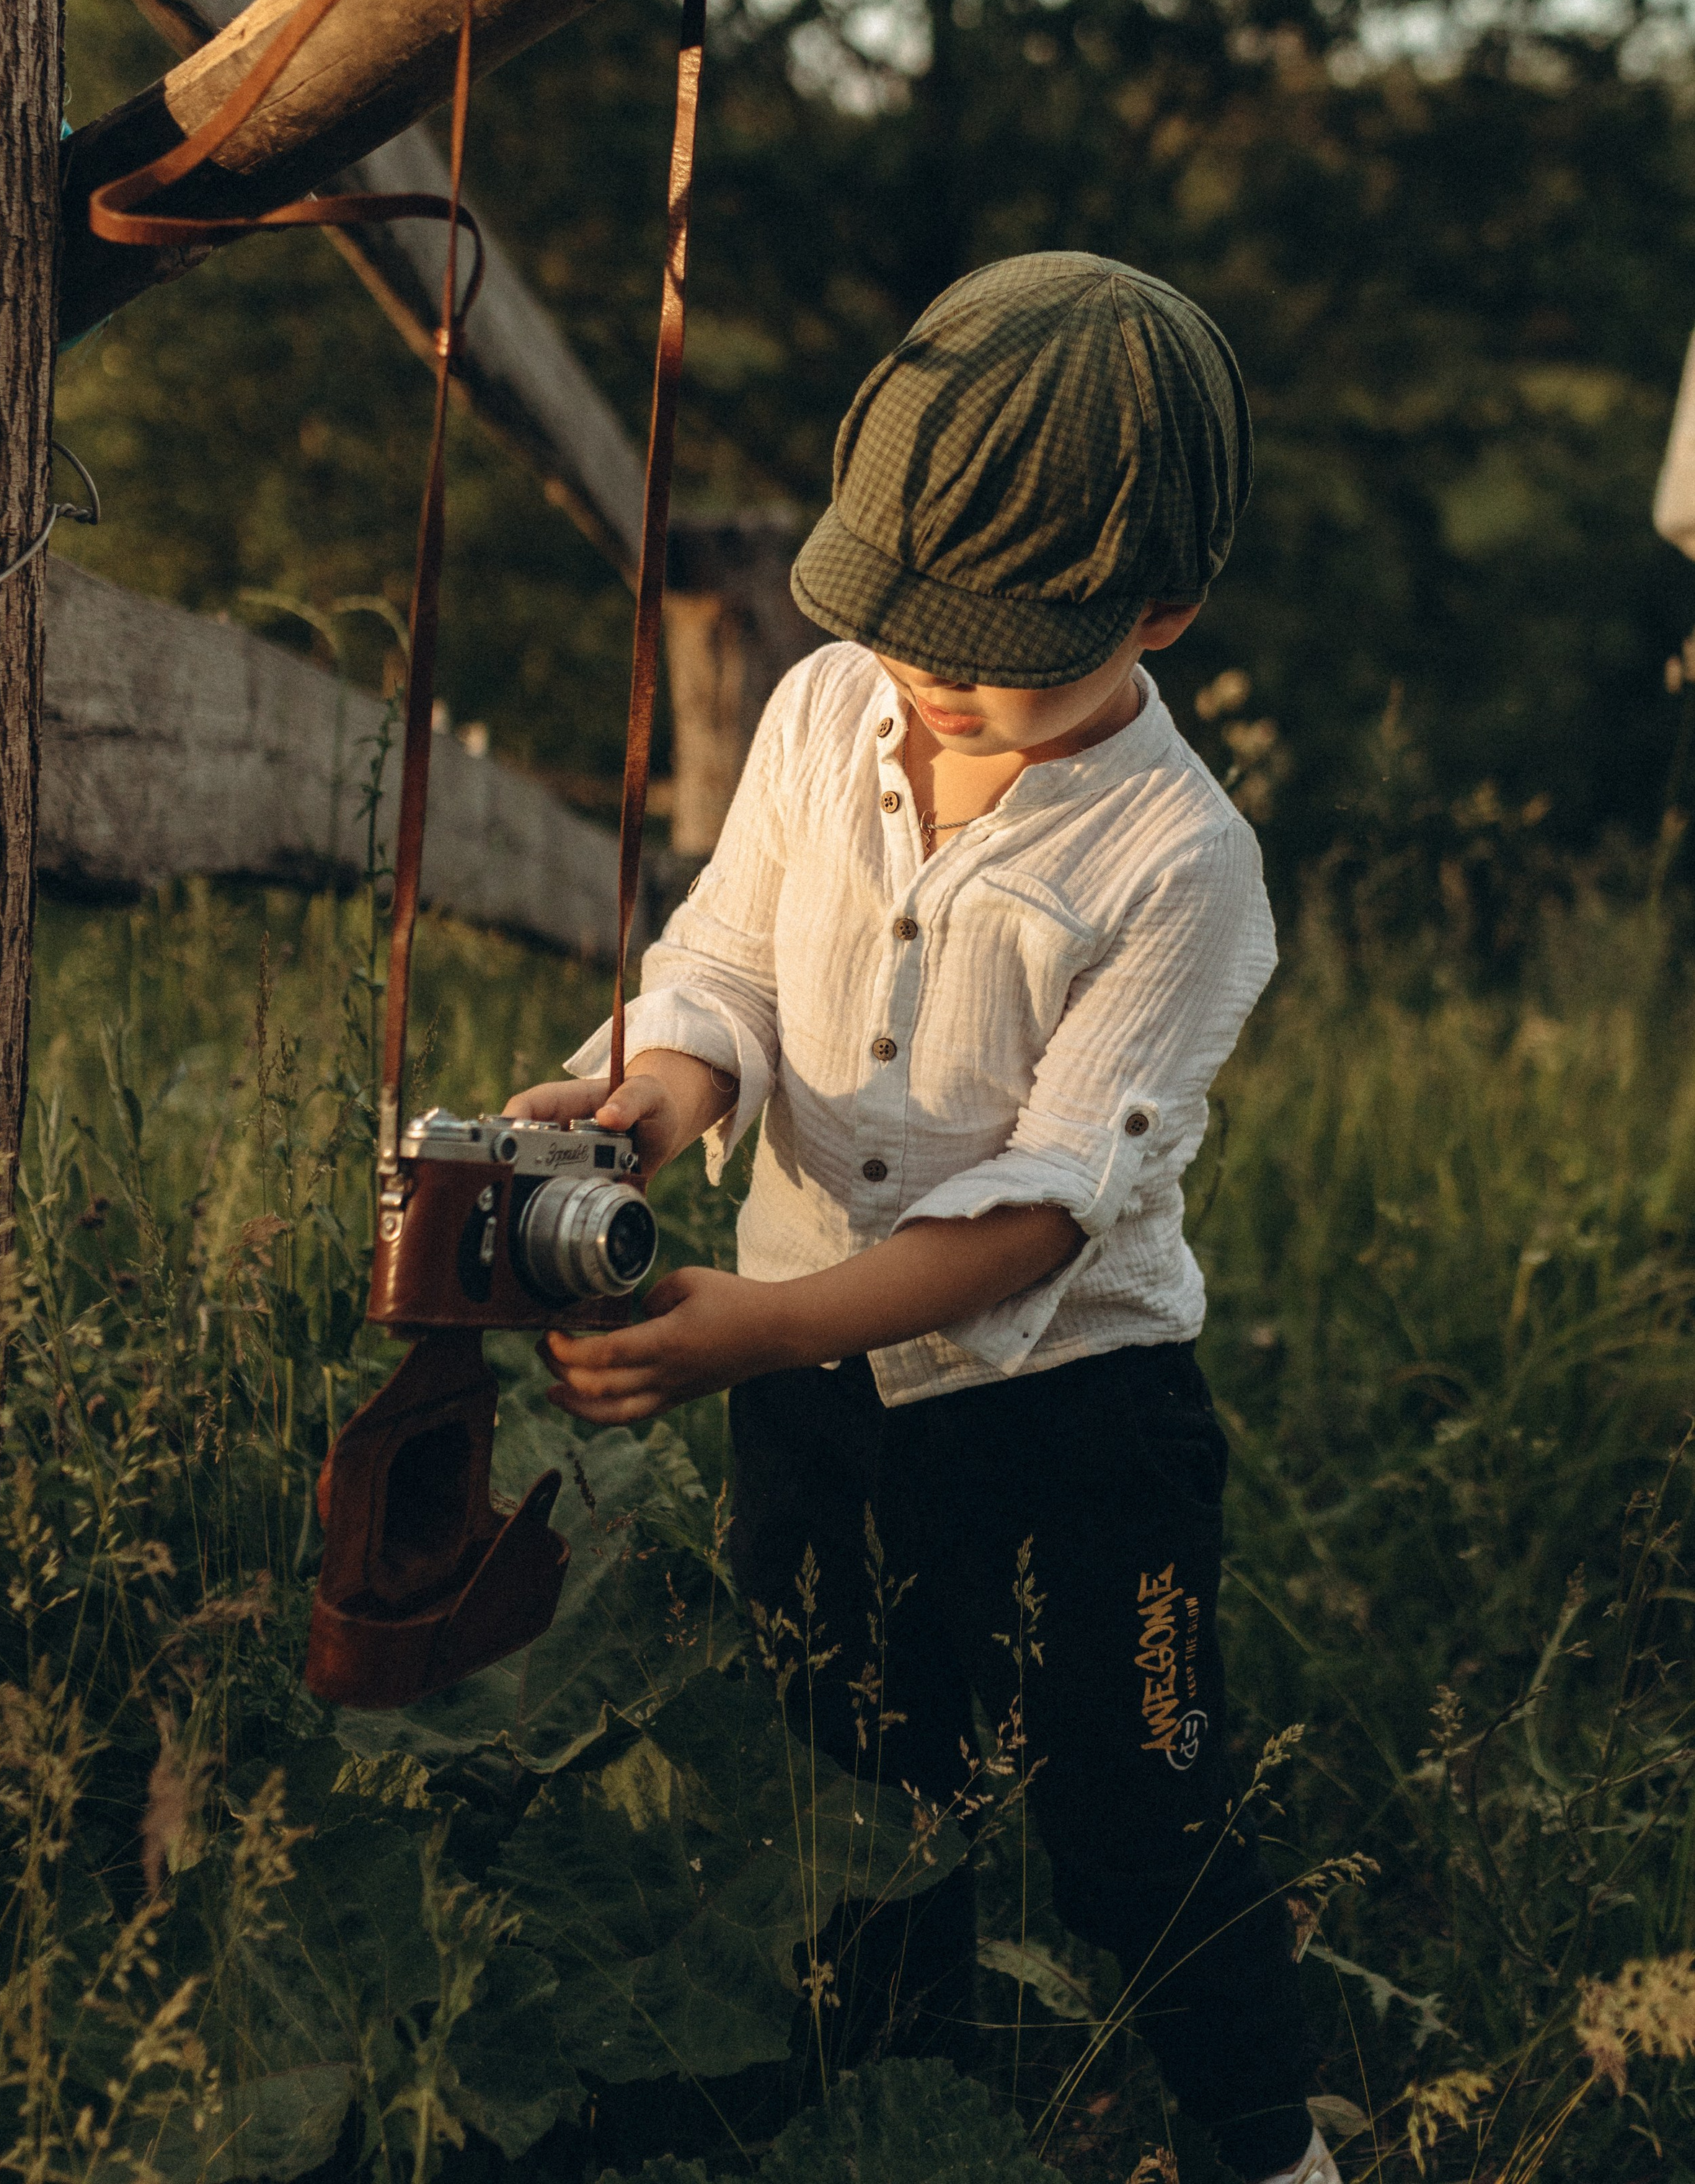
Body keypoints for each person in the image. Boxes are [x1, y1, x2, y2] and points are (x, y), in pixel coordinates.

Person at [505, 252, 1337, 2184]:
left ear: (1165, 610)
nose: (935, 682)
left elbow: (1049, 1208)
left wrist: (752, 1327)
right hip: (808, 1387)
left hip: (1074, 1417)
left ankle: (1266, 2137)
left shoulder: (1182, 859)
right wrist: (658, 1080)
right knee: (853, 1779)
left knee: (1141, 1795)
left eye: (993, 649)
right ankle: (899, 2109)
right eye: (905, 630)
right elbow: (725, 956)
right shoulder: (822, 712)